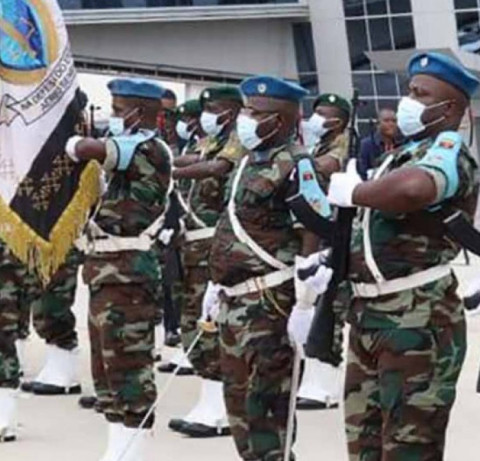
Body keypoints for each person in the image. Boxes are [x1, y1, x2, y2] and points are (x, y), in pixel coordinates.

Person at [326, 52, 479, 460]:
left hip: (416, 317)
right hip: (371, 313)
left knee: (410, 447)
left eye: (419, 93)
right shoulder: (401, 155)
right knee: (365, 445)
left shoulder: (448, 153)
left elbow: (414, 190)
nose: (407, 101)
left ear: (447, 108)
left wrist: (354, 192)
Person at [208, 75, 332, 460]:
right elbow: (231, 222)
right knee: (239, 408)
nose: (244, 118)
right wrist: (217, 284)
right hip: (234, 300)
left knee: (267, 411)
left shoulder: (298, 165)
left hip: (270, 303)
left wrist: (305, 304)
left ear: (277, 122)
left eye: (254, 113)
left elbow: (314, 229)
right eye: (246, 109)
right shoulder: (246, 161)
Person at [65, 78, 172, 461]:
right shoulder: (128, 148)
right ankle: (118, 449)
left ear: (138, 113)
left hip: (129, 274)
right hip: (104, 271)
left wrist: (68, 137)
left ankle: (135, 450)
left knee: (129, 367)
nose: (112, 116)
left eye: (117, 108)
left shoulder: (148, 148)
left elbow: (87, 149)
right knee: (106, 368)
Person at [165, 86, 245, 438]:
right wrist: (163, 161)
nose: (206, 114)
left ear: (230, 110)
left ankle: (221, 409)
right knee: (192, 321)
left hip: (215, 246)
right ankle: (209, 399)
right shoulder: (212, 139)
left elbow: (215, 168)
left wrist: (170, 174)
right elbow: (192, 158)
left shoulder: (238, 139)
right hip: (194, 248)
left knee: (210, 324)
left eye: (213, 108)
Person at [296, 92, 352, 410]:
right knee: (313, 306)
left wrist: (295, 160)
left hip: (332, 236)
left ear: (339, 121)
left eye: (324, 113)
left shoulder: (341, 145)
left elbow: (323, 169)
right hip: (317, 234)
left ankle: (325, 384)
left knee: (327, 308)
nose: (316, 118)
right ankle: (315, 378)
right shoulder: (321, 143)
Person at [359, 108, 399, 178]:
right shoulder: (366, 145)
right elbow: (362, 171)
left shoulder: (401, 145)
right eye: (386, 121)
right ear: (378, 124)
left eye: (394, 121)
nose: (391, 124)